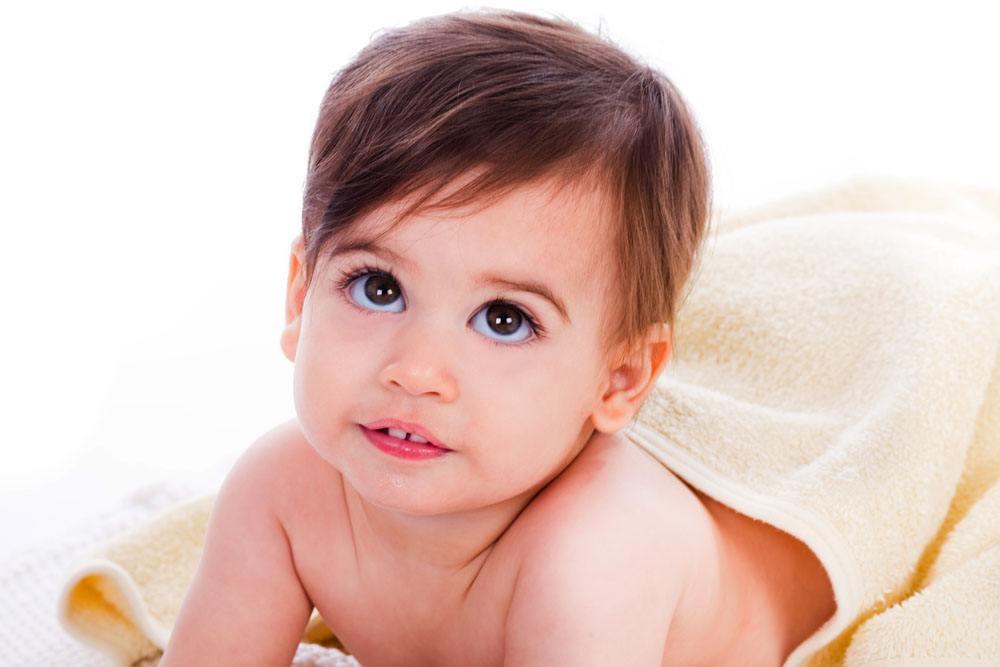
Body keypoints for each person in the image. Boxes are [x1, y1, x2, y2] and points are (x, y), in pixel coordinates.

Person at [160, 8, 834, 666]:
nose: (417, 371)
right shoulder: (281, 493)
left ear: (618, 380)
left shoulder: (593, 561)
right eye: (379, 288)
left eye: (504, 319)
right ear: (300, 297)